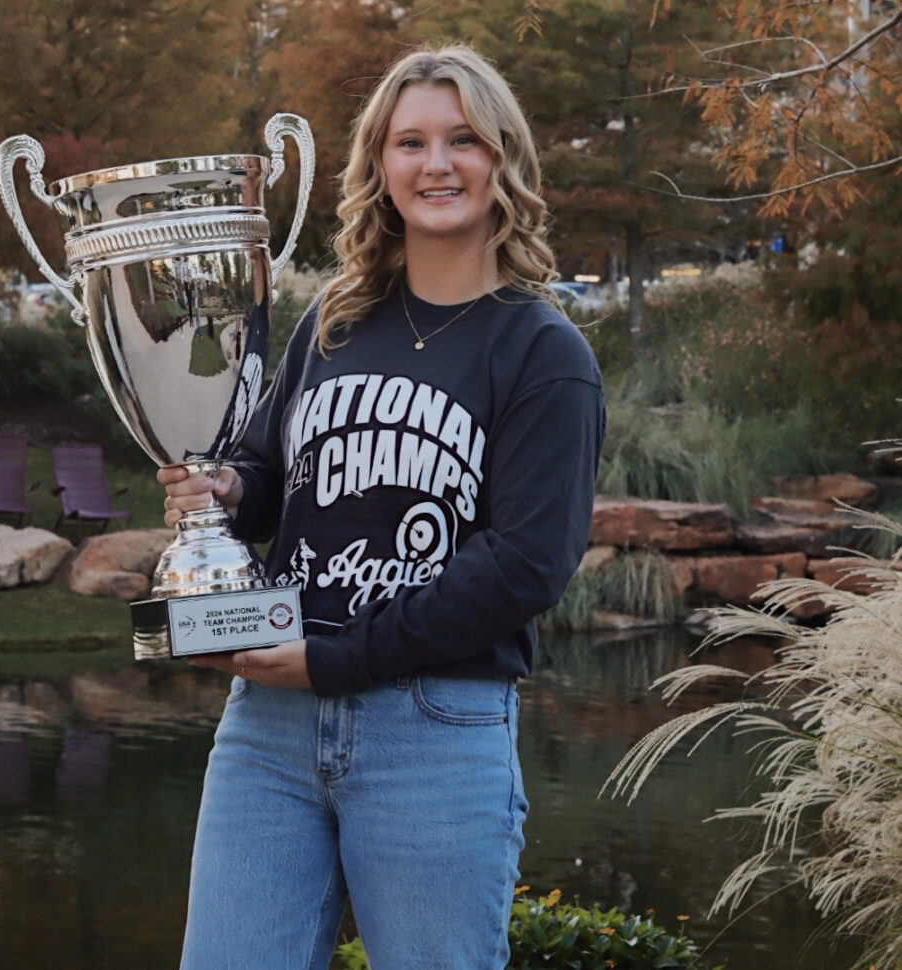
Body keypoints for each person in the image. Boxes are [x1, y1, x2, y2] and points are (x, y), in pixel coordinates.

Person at [159, 43, 606, 970]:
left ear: (503, 160)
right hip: (267, 731)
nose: (436, 164)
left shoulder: (543, 350)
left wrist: (339, 658)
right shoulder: (334, 321)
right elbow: (272, 473)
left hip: (433, 731)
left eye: (462, 139)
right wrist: (226, 492)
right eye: (410, 142)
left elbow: (524, 564)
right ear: (381, 167)